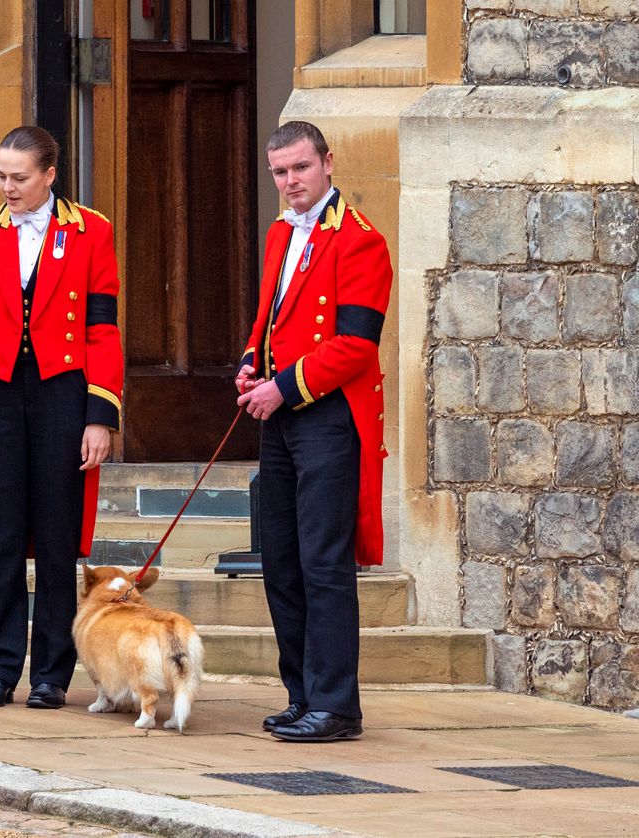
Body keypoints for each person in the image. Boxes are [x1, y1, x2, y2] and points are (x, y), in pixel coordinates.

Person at [0, 126, 124, 710]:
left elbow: (102, 326)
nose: (8, 188)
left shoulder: (91, 230)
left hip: (63, 395)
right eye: (1, 176)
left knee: (55, 540)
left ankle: (51, 674)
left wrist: (100, 415)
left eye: (19, 178)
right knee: (0, 539)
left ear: (50, 174)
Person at [234, 121, 393, 742]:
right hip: (279, 412)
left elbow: (356, 343)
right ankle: (301, 695)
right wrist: (253, 362)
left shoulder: (360, 241)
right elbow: (269, 318)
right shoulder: (280, 233)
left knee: (323, 563)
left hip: (327, 416)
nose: (291, 182)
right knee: (281, 560)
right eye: (280, 173)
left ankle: (337, 705)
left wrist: (284, 385)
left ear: (328, 162)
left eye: (300, 168)